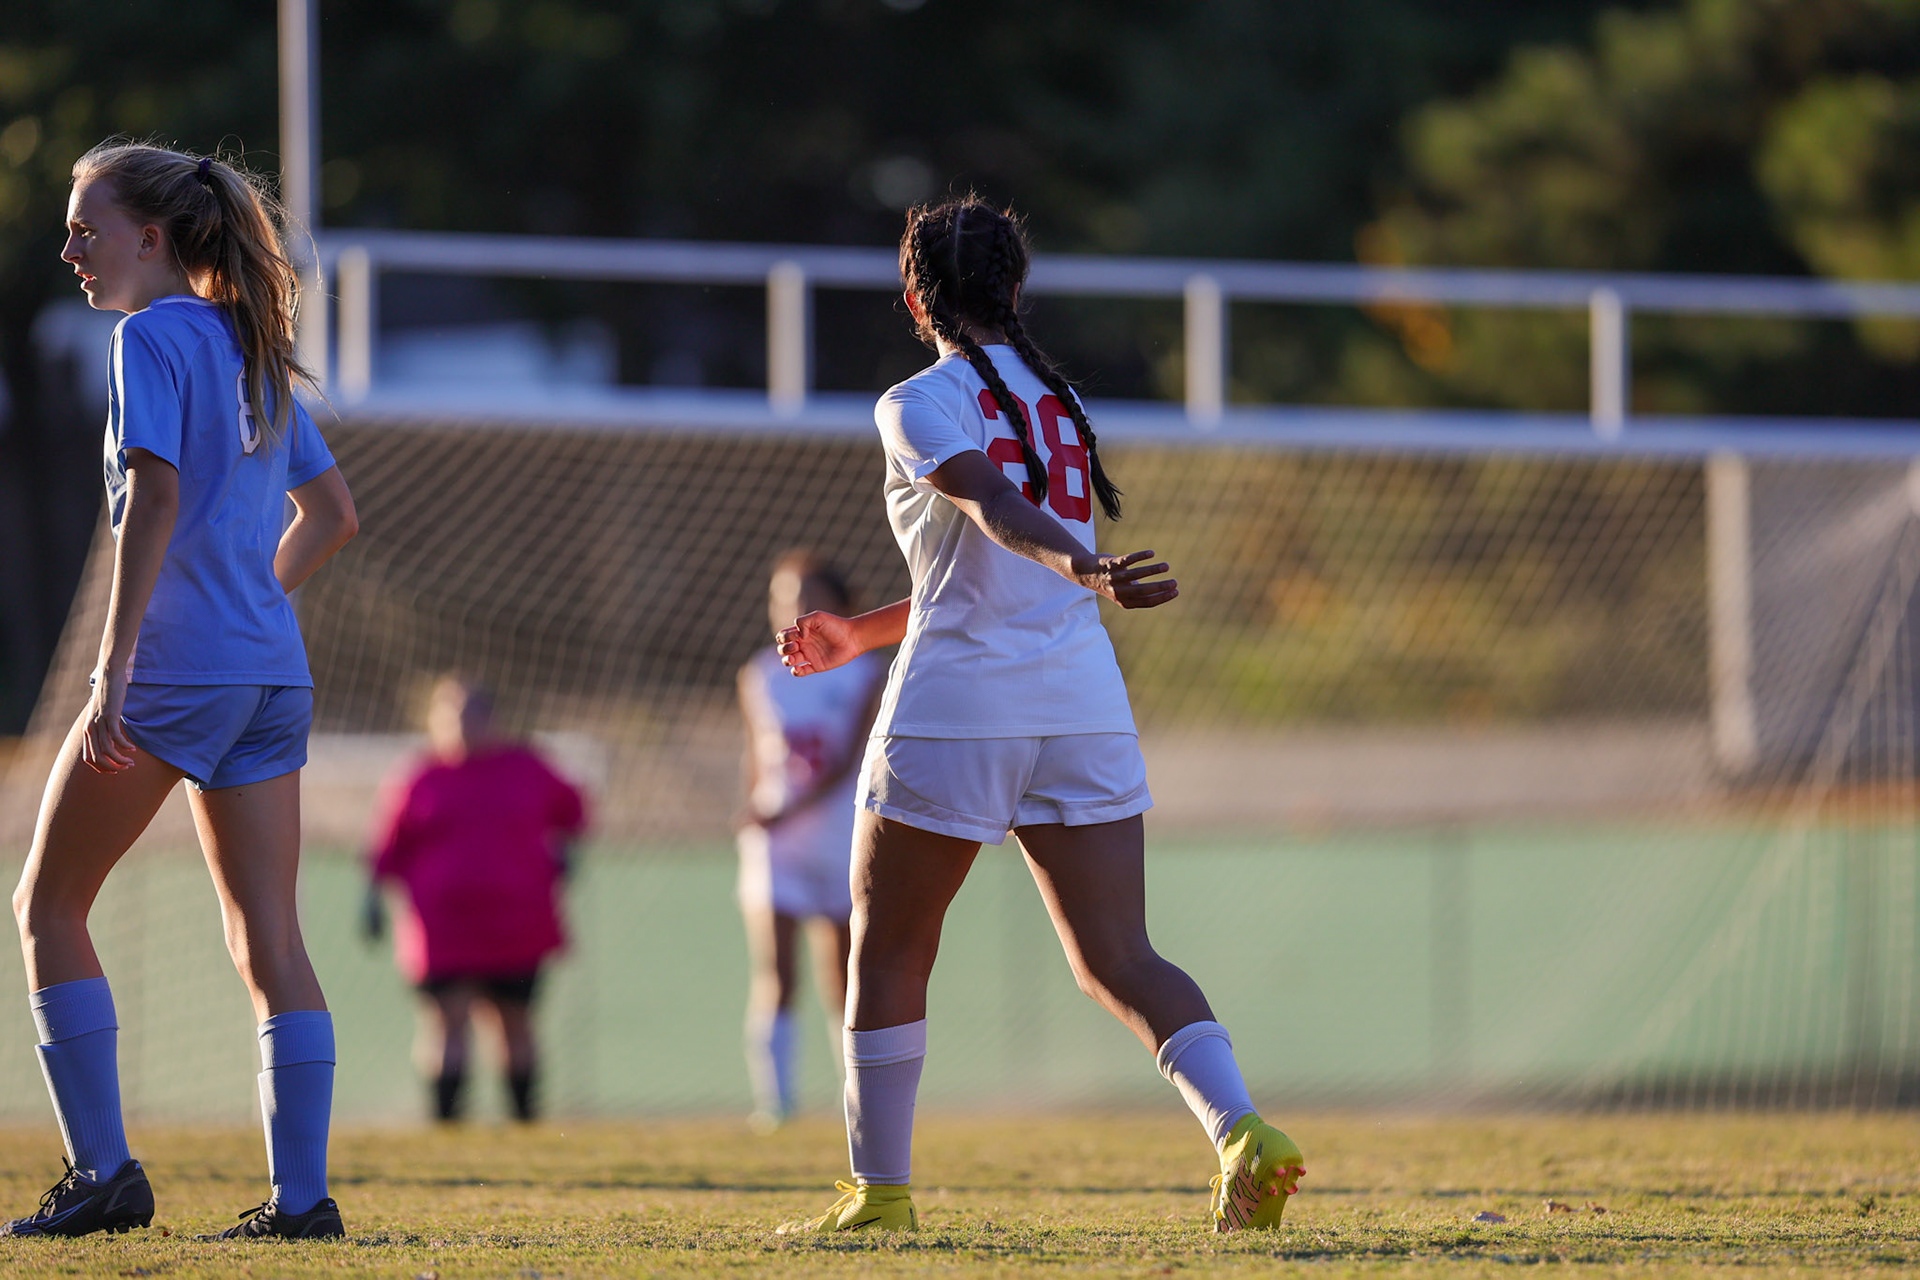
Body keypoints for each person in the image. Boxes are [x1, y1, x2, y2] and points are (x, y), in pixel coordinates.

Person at [773, 198, 1304, 1235]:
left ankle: (880, 1195)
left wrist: (1086, 565)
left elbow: (990, 507)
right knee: (1120, 955)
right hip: (1080, 703)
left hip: (960, 707)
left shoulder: (915, 400)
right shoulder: (1057, 402)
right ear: (1016, 288)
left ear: (915, 297)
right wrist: (861, 633)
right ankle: (1242, 1130)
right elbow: (989, 563)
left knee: (888, 949)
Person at [6, 143, 358, 1240]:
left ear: (150, 238)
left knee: (46, 907)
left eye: (87, 228)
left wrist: (115, 666)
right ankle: (301, 1202)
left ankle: (104, 1174)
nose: (71, 249)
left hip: (173, 671)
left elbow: (152, 499)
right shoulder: (253, 346)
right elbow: (333, 517)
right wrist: (248, 603)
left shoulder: (148, 337)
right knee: (272, 941)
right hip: (270, 673)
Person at [365, 676, 586, 1123]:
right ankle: (447, 1128)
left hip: (517, 924)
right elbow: (388, 846)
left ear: (494, 718)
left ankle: (525, 1127)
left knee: (514, 1023)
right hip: (442, 929)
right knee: (447, 1023)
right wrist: (370, 901)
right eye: (454, 715)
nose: (465, 725)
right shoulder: (420, 777)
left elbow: (573, 814)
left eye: (475, 714)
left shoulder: (528, 768)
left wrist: (566, 856)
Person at [736, 552, 887, 1129]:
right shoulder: (760, 674)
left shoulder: (865, 673)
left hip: (840, 837)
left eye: (806, 597)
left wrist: (786, 809)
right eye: (783, 598)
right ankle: (774, 1105)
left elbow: (848, 760)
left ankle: (858, 1100)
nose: (792, 609)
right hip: (776, 842)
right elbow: (757, 755)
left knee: (844, 978)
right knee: (775, 975)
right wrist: (754, 807)